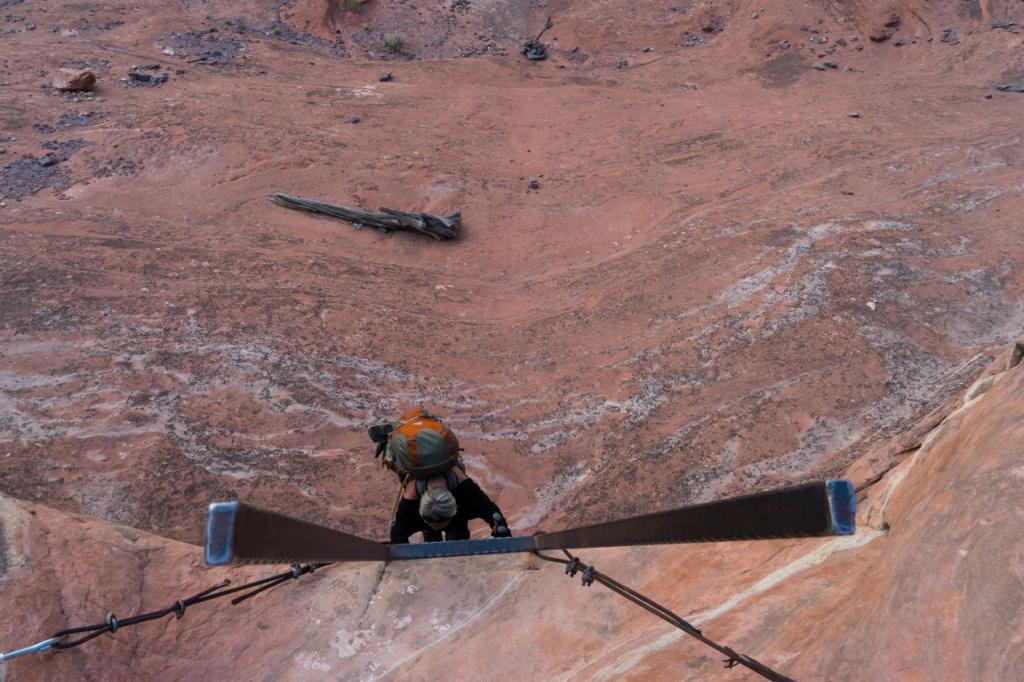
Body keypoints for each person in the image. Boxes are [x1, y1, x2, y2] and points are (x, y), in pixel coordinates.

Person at [369, 406, 511, 544]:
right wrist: (502, 534)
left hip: (435, 514)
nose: (439, 525)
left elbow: (398, 534)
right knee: (457, 536)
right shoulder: (465, 489)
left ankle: (433, 537)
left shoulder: (415, 493)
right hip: (452, 514)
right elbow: (493, 514)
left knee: (434, 535)